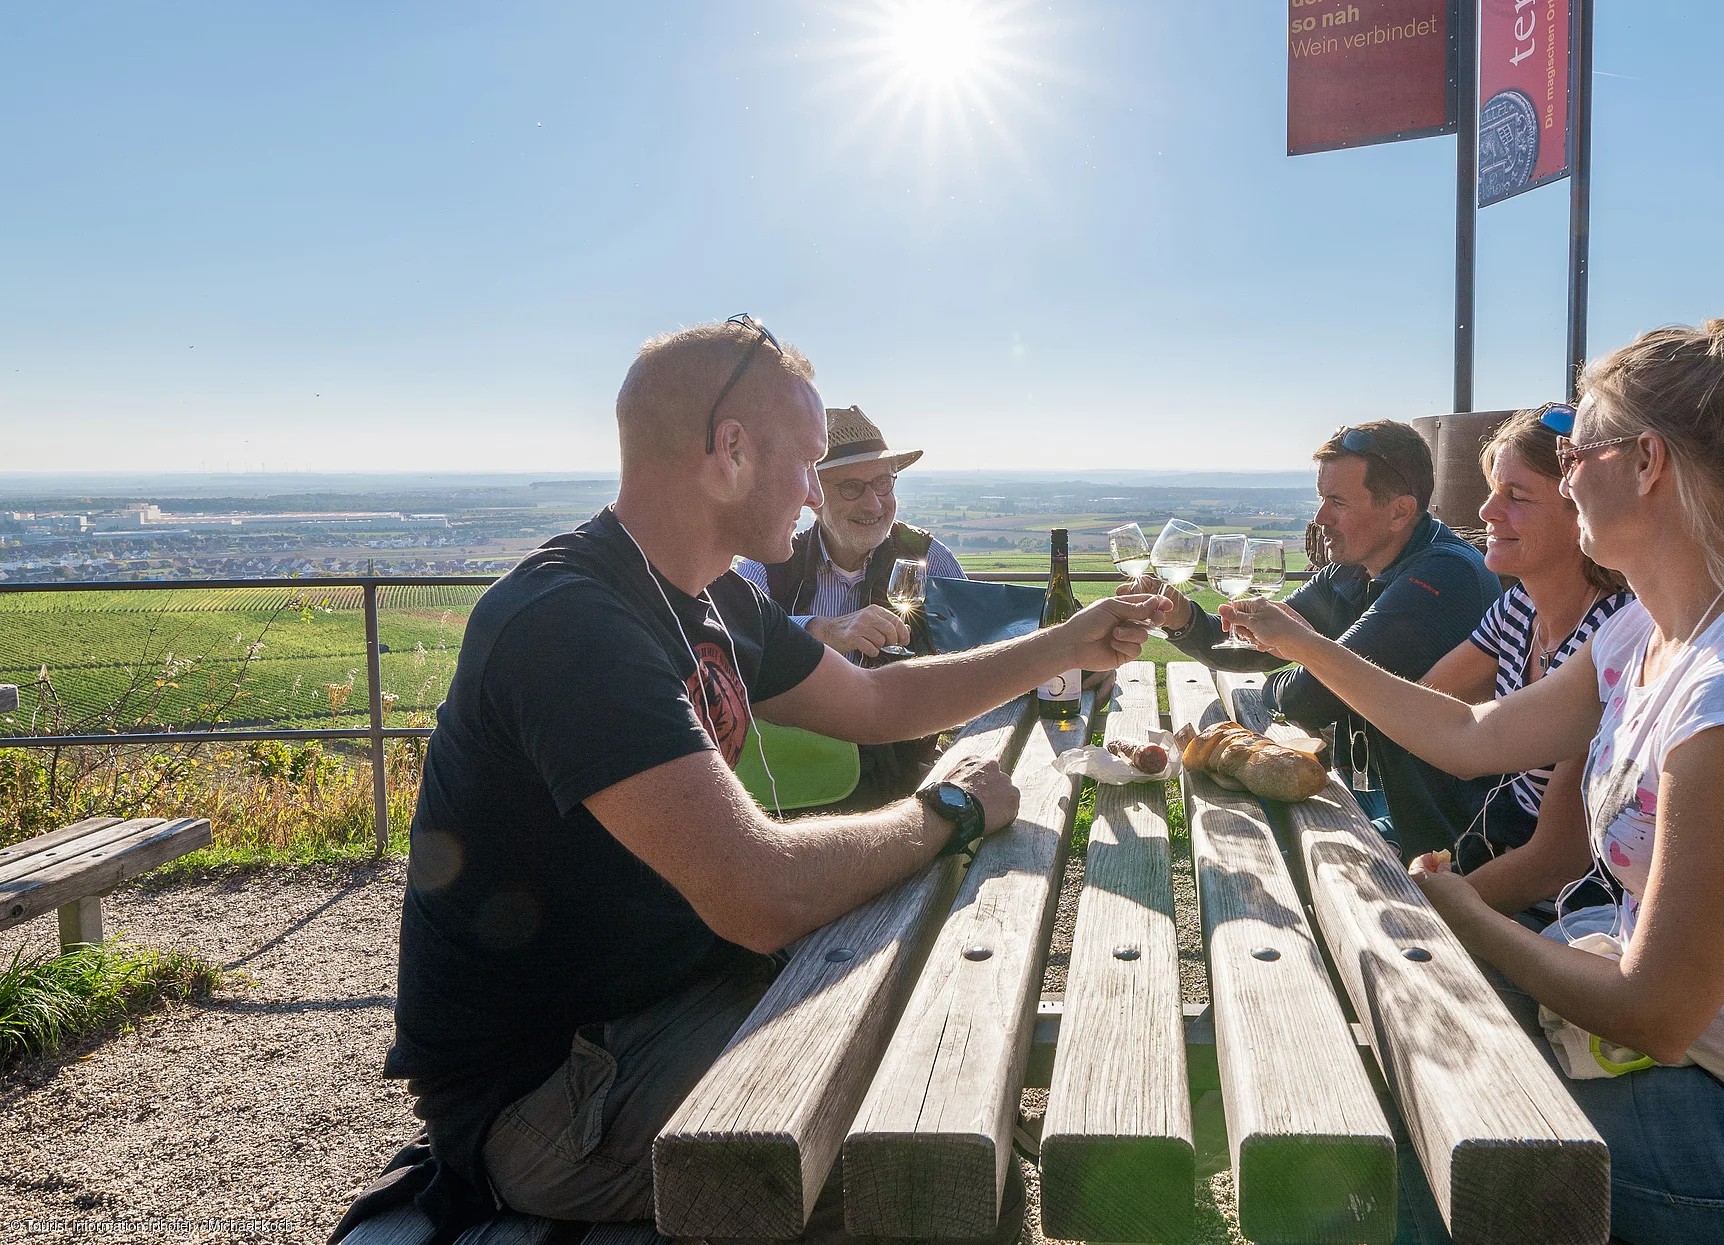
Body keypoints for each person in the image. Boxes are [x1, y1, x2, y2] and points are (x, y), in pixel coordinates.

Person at [356, 318, 1163, 1239]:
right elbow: (762, 892)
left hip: (671, 1002)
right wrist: (948, 808)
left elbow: (873, 703)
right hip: (556, 1092)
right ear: (730, 451)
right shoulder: (570, 621)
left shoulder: (713, 594)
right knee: (932, 1168)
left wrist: (1063, 644)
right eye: (812, 463)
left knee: (959, 1074)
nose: (817, 492)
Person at [1225, 314, 1724, 1245]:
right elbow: (1470, 730)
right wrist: (1303, 644)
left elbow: (1655, 1013)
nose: (1564, 478)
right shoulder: (1645, 631)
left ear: (1645, 462)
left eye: (1576, 453)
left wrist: (1468, 917)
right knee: (1395, 1059)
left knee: (1403, 1145)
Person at [1126, 419, 1503, 861]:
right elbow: (1250, 643)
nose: (1320, 517)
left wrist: (1273, 685)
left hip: (1440, 837)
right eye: (1322, 499)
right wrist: (1181, 616)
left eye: (1337, 502)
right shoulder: (1353, 567)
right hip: (1376, 797)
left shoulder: (1444, 576)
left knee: (1247, 845)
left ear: (1400, 511)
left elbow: (1310, 697)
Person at [1424, 406, 1632, 927]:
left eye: (1516, 497)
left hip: (1583, 912)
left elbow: (1556, 860)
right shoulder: (1517, 607)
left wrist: (1434, 909)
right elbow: (1428, 706)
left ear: (1580, 511)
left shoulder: (1614, 636)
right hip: (1509, 871)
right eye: (1494, 489)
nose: (1487, 510)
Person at [732, 404, 966, 804]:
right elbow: (728, 647)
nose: (874, 504)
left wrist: (1069, 660)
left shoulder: (929, 557)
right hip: (792, 788)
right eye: (852, 487)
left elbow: (978, 645)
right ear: (815, 496)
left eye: (883, 484)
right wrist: (819, 631)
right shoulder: (767, 565)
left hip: (904, 778)